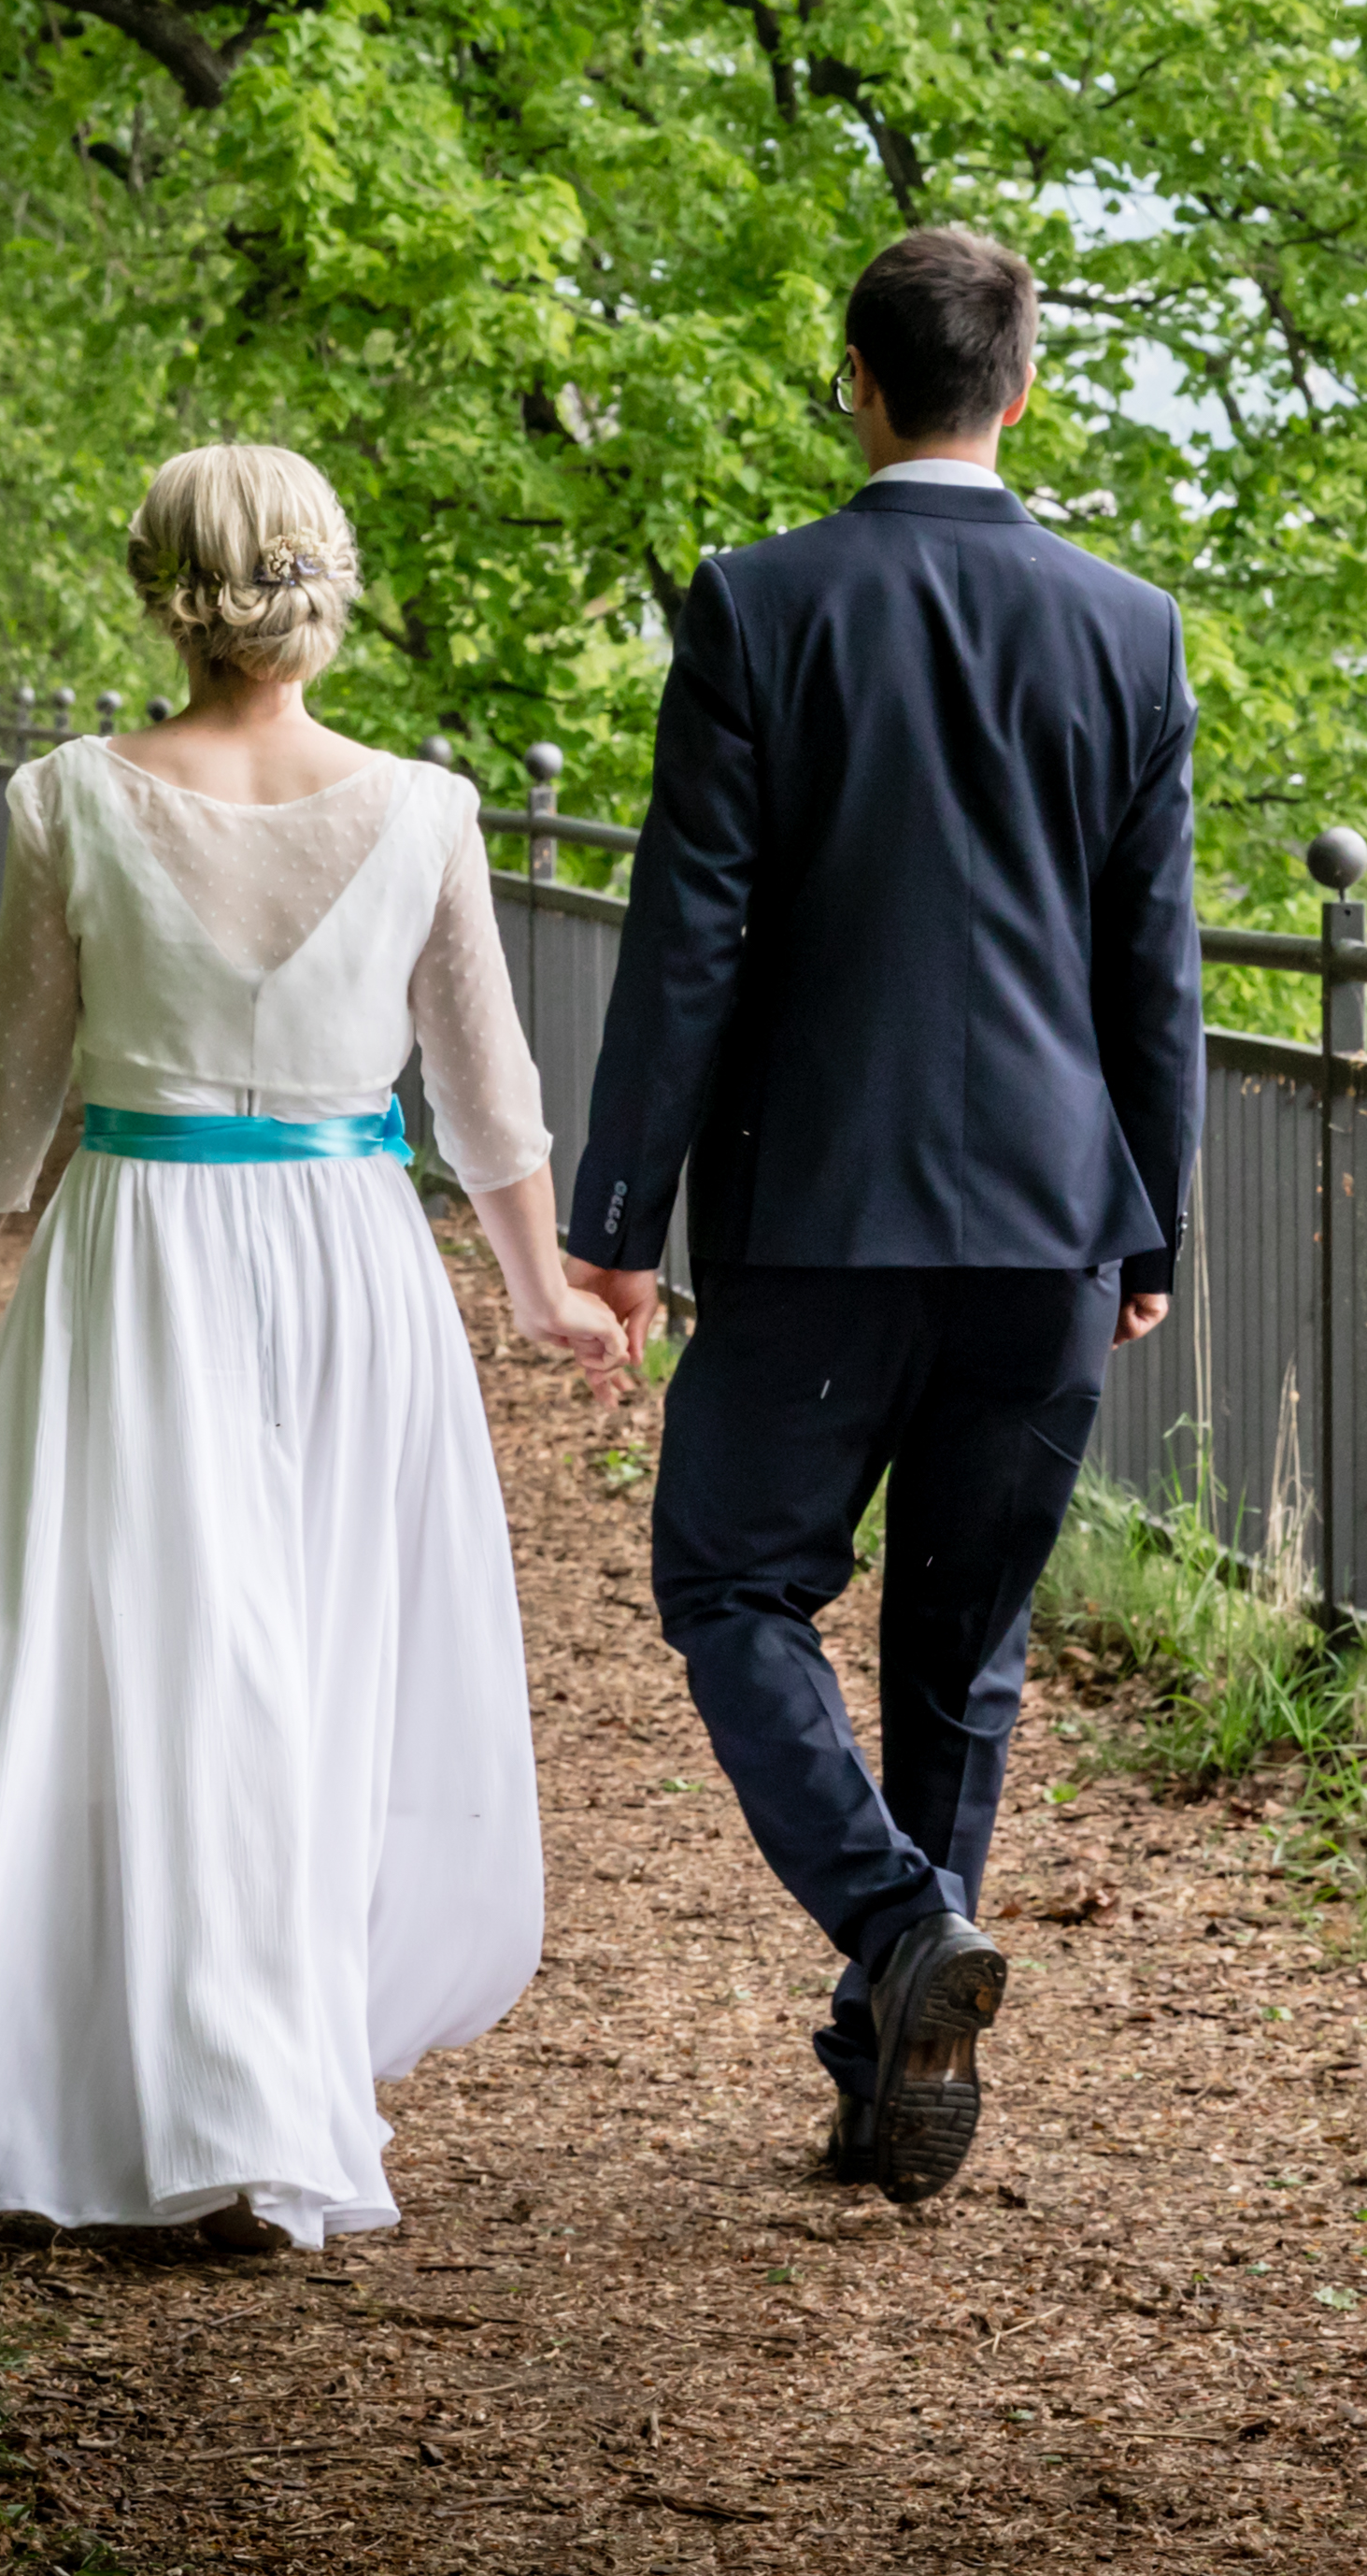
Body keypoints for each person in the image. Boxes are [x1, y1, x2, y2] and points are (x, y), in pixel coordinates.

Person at [0, 443, 627, 2255]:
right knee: (313, 1670)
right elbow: (487, 1100)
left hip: (145, 1255)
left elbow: (7, 1103)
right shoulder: (427, 807)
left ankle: (149, 2078)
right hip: (353, 1269)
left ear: (158, 589)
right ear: (326, 585)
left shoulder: (70, 799)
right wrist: (539, 1292)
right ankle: (240, 2092)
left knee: (132, 1662)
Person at [566, 225, 1202, 2205]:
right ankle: (892, 2051)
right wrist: (1154, 1232)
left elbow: (691, 940)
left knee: (730, 1585)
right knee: (960, 1657)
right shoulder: (1131, 631)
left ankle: (897, 1933)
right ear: (1023, 391)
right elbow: (1150, 972)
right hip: (1048, 1227)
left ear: (858, 379)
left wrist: (620, 1216)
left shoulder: (761, 606)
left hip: (819, 1221)